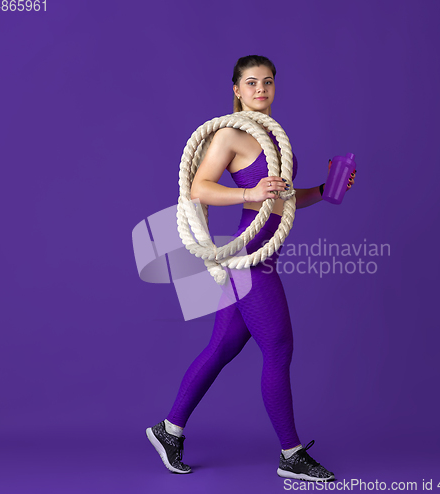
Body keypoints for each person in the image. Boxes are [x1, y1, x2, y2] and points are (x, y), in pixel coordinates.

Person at [146, 55, 356, 482]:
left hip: (266, 253)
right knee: (278, 349)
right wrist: (248, 194)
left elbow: (283, 198)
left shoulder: (275, 137)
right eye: (251, 82)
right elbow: (198, 188)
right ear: (237, 90)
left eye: (268, 82)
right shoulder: (230, 134)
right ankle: (290, 454)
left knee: (221, 348)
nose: (261, 89)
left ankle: (168, 431)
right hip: (251, 261)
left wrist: (324, 190)